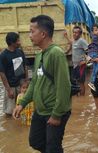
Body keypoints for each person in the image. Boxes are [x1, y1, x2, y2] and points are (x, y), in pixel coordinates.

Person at [12, 15, 71, 153]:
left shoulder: (56, 54)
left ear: (43, 34)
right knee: (35, 141)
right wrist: (22, 103)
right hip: (40, 110)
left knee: (53, 147)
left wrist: (56, 115)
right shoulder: (40, 55)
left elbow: (64, 87)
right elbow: (34, 83)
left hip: (54, 110)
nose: (29, 35)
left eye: (32, 31)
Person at [0, 32, 28, 116]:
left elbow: (25, 67)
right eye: (18, 40)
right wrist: (8, 90)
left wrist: (26, 81)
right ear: (12, 43)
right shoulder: (3, 56)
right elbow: (2, 74)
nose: (20, 42)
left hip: (21, 86)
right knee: (9, 113)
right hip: (11, 87)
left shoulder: (20, 52)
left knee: (23, 111)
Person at [64, 25, 89, 96]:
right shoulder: (74, 40)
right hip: (75, 65)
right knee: (76, 81)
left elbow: (90, 51)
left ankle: (82, 99)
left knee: (81, 83)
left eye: (76, 33)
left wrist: (84, 61)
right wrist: (66, 37)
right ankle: (80, 98)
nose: (74, 34)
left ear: (80, 34)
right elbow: (71, 43)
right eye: (73, 32)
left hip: (81, 66)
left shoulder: (82, 41)